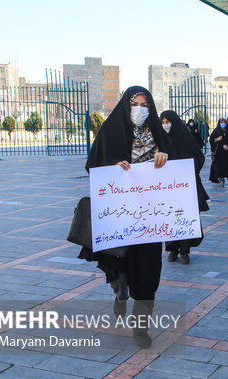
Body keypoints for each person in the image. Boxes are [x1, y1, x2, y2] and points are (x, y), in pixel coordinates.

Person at [78, 86, 171, 349]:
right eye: (134, 104)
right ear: (125, 105)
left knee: (148, 271)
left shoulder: (158, 134)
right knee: (118, 267)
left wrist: (166, 156)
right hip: (118, 216)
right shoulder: (110, 130)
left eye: (144, 104)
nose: (139, 109)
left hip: (150, 217)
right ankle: (120, 294)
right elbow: (93, 165)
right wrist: (113, 165)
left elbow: (182, 162)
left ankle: (141, 327)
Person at [160, 110, 210, 264]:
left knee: (186, 218)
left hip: (186, 187)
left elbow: (199, 157)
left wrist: (186, 168)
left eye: (168, 122)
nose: (165, 125)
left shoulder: (185, 138)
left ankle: (185, 251)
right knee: (170, 219)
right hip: (168, 189)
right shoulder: (160, 141)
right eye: (162, 122)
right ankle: (173, 250)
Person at [209, 118, 228, 187]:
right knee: (217, 166)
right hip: (218, 153)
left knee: (225, 166)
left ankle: (222, 177)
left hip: (226, 153)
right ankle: (221, 179)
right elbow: (211, 140)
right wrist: (217, 139)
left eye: (224, 122)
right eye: (221, 122)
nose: (223, 124)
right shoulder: (216, 131)